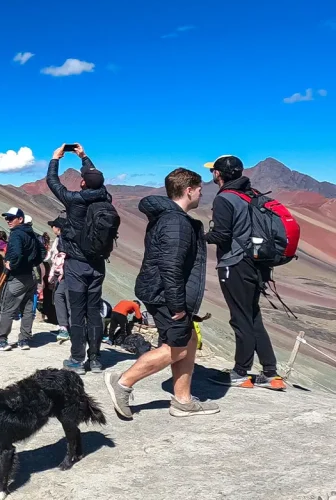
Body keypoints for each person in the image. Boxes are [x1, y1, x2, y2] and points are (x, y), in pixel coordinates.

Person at [105, 168, 219, 418]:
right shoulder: (176, 222)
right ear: (188, 190)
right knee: (176, 348)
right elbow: (171, 265)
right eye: (199, 188)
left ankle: (183, 400)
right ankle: (123, 382)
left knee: (187, 339)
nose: (202, 193)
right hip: (166, 295)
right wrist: (178, 304)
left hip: (161, 291)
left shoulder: (169, 218)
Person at [203, 155, 285, 391]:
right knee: (252, 316)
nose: (212, 175)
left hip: (235, 264)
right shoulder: (250, 194)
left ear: (218, 174)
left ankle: (240, 372)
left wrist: (197, 235)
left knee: (240, 318)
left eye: (213, 172)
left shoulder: (225, 199)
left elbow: (221, 236)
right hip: (256, 264)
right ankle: (270, 373)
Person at [47, 142, 112, 374]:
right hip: (98, 265)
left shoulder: (75, 200)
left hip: (76, 266)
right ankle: (95, 359)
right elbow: (97, 180)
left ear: (83, 182)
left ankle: (77, 359)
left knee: (77, 311)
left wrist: (56, 159)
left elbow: (52, 183)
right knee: (94, 311)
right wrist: (85, 157)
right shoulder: (106, 198)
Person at [0, 208, 41, 351]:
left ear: (20, 219)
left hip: (16, 277)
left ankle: (1, 340)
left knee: (7, 309)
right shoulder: (32, 233)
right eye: (7, 218)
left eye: (11, 218)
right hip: (30, 276)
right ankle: (24, 340)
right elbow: (42, 251)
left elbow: (17, 254)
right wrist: (32, 263)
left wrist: (11, 264)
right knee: (27, 309)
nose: (8, 221)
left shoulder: (16, 234)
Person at [45, 218, 70, 341]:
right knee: (60, 297)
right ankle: (64, 327)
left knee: (63, 298)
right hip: (64, 274)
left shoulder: (63, 240)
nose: (52, 228)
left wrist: (54, 275)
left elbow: (58, 259)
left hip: (65, 274)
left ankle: (68, 328)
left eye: (53, 226)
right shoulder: (60, 239)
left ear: (58, 228)